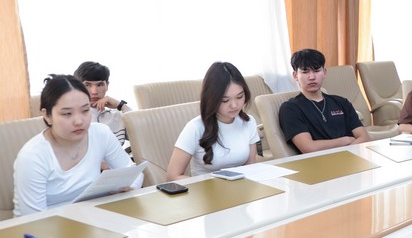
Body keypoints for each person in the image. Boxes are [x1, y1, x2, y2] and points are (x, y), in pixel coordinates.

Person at [13, 75, 139, 216]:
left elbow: (133, 172)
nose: (79, 121)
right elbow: (33, 220)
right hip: (48, 225)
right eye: (67, 113)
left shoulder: (100, 133)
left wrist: (130, 187)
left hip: (94, 219)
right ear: (47, 115)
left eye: (85, 110)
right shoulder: (33, 156)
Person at [167, 62, 258, 180]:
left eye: (239, 97)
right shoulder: (195, 128)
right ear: (211, 98)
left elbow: (250, 167)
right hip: (206, 190)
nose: (234, 105)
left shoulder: (249, 122)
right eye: (225, 100)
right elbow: (172, 176)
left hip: (241, 188)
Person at [278, 49, 370, 153]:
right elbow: (308, 147)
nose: (312, 77)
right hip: (318, 161)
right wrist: (345, 140)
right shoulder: (290, 108)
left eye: (316, 71)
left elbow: (364, 138)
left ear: (324, 72)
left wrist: (347, 153)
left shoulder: (341, 102)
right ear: (295, 76)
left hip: (352, 157)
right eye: (305, 72)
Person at [74, 61, 132, 147]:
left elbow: (143, 135)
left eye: (100, 85)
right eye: (87, 85)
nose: (94, 92)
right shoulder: (71, 117)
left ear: (107, 85)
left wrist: (122, 106)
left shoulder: (116, 116)